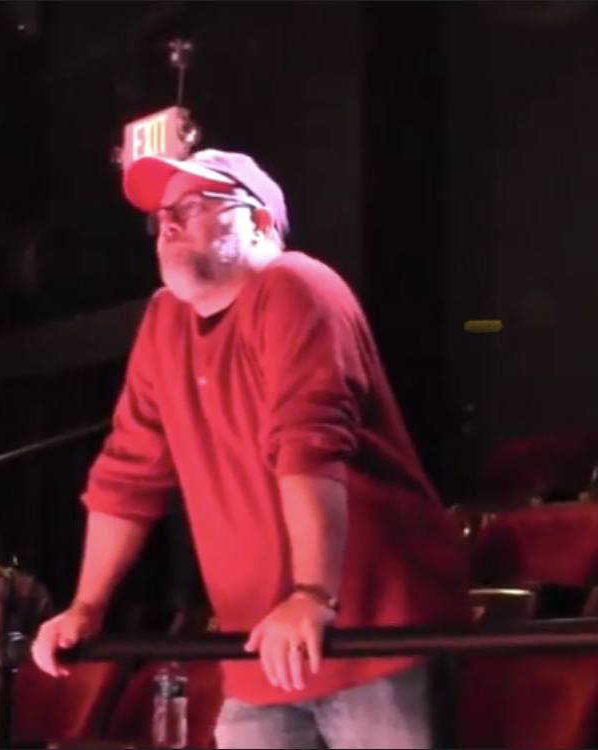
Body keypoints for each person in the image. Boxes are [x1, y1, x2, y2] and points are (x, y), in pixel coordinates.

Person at [31, 149, 471, 749]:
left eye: (192, 207)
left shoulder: (294, 284)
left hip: (371, 633)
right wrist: (86, 606)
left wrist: (311, 595)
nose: (169, 225)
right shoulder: (164, 321)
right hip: (261, 643)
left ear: (260, 222)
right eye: (162, 216)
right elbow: (128, 476)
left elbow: (309, 441)